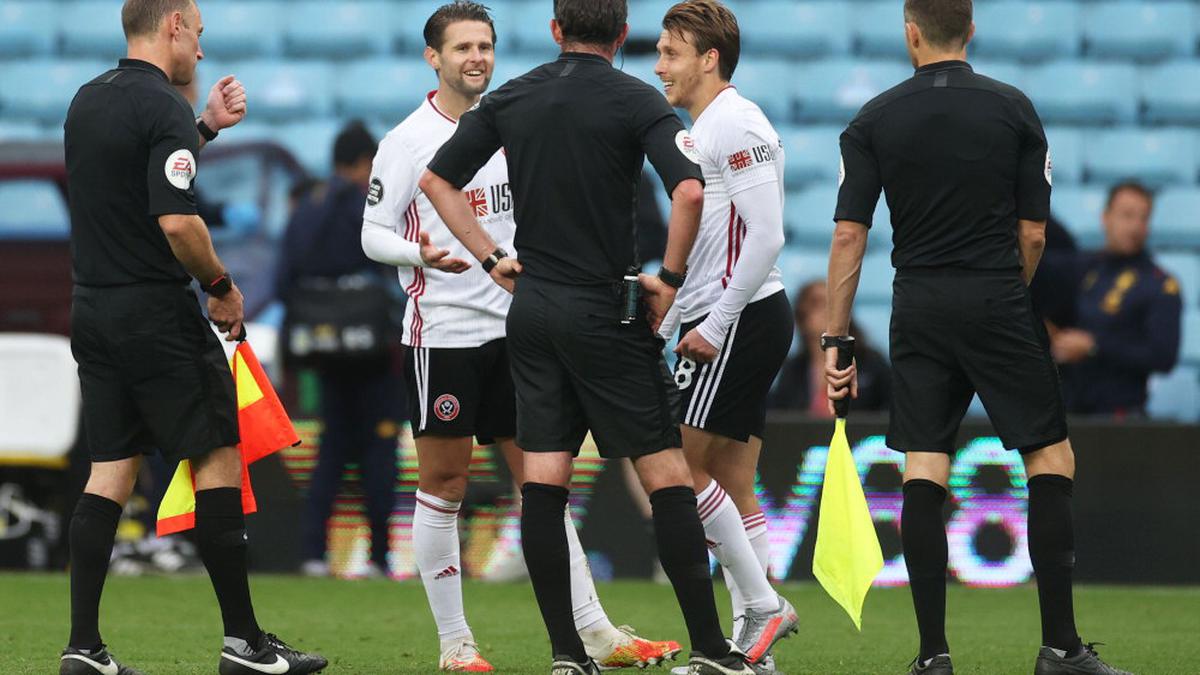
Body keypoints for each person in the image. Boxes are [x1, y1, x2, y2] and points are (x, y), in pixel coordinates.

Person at [418, 0, 756, 672]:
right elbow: (689, 191)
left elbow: (436, 179)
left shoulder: (515, 95)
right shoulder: (636, 98)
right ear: (624, 35)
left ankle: (567, 655)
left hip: (534, 308)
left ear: (555, 31)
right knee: (666, 476)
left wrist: (491, 258)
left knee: (544, 482)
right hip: (607, 308)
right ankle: (713, 648)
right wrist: (669, 278)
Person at [360, 2, 682, 671]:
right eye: (462, 48)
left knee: (541, 482)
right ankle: (456, 644)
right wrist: (420, 256)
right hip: (443, 329)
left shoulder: (519, 117)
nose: (476, 57)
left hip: (522, 327)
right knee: (444, 482)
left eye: (485, 45)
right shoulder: (407, 139)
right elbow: (371, 233)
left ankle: (595, 632)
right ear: (434, 58)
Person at [823, 1, 1131, 674]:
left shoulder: (873, 118)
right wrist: (1004, 293)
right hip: (995, 292)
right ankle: (1060, 649)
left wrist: (834, 340)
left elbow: (850, 233)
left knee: (924, 466)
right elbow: (1034, 233)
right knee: (1049, 459)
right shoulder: (1013, 108)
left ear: (910, 31)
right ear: (970, 30)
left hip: (920, 302)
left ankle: (933, 655)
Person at [61, 1, 326, 674]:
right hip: (157, 312)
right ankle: (246, 644)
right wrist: (220, 285)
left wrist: (204, 125)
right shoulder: (161, 107)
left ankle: (84, 647)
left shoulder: (86, 102)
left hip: (93, 308)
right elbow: (177, 223)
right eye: (200, 36)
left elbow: (132, 183)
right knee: (217, 452)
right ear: (174, 24)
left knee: (111, 467)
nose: (201, 53)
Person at [650, 1, 798, 670]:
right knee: (735, 479)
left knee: (679, 468)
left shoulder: (734, 122)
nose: (660, 66)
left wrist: (710, 321)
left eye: (672, 52)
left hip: (737, 319)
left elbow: (767, 234)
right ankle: (754, 650)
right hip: (742, 315)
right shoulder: (712, 125)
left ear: (709, 59)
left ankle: (763, 606)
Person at [275, 121, 404, 580]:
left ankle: (314, 552)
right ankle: (379, 556)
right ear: (366, 163)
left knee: (330, 449)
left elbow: (283, 276)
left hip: (324, 351)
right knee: (378, 450)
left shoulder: (306, 205)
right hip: (372, 353)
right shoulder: (365, 205)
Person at [1051, 182, 1182, 417]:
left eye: (1144, 218)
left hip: (1121, 417)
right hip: (1069, 412)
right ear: (1105, 217)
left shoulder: (1160, 284)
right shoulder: (1085, 266)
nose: (1136, 226)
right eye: (1127, 215)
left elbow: (1164, 356)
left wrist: (1095, 346)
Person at [768, 280, 891, 415]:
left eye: (834, 304)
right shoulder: (794, 368)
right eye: (817, 303)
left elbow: (889, 409)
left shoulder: (871, 362)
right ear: (801, 315)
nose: (827, 310)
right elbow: (781, 418)